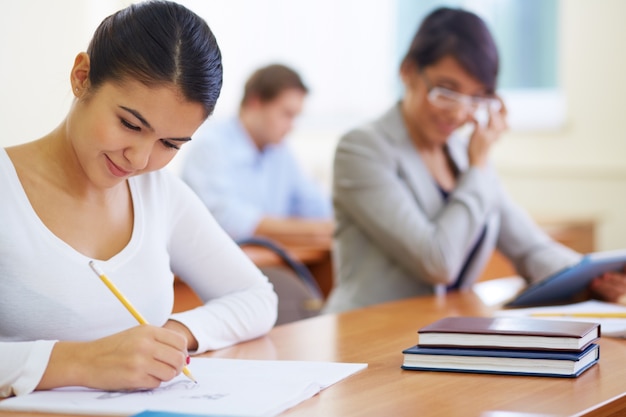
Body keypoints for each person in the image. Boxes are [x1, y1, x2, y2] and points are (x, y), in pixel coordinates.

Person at [0, 1, 277, 398]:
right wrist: (86, 361)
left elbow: (255, 298)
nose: (141, 159)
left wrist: (169, 338)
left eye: (170, 143)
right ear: (81, 78)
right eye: (130, 124)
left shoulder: (158, 193)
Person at [323, 7, 626, 313]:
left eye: (477, 97)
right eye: (447, 91)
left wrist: (597, 278)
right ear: (408, 71)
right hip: (364, 334)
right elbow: (437, 262)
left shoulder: (462, 154)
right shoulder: (362, 148)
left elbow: (530, 248)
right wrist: (479, 165)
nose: (459, 113)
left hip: (441, 332)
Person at [180, 64, 333, 246]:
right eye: (287, 114)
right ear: (255, 102)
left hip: (269, 260)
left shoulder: (280, 152)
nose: (292, 126)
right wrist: (314, 230)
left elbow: (315, 206)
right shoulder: (211, 147)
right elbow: (226, 219)